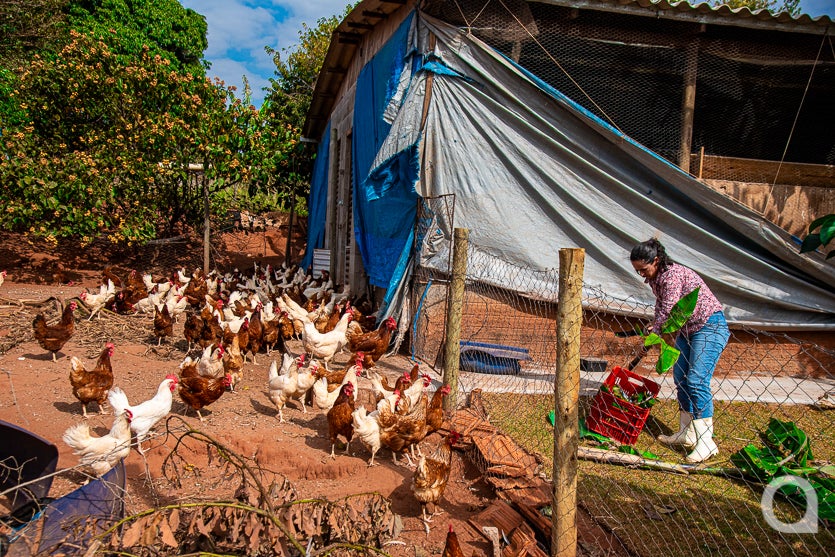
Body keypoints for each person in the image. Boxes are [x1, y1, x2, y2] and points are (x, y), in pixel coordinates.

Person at [630, 238, 730, 463]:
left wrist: (656, 330)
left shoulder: (672, 275)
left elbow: (669, 308)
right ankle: (687, 433)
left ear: (656, 260)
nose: (642, 275)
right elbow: (660, 307)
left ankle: (706, 442)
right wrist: (654, 325)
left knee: (696, 380)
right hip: (687, 330)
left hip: (709, 326)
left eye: (644, 270)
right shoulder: (656, 278)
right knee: (681, 378)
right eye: (638, 272)